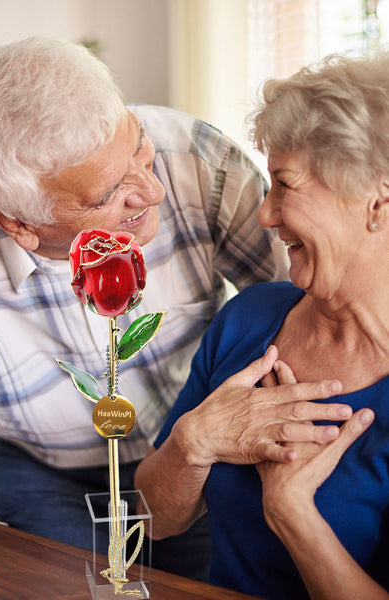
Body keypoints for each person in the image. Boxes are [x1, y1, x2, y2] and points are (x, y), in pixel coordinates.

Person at [0, 37, 351, 581]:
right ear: (18, 223)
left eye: (140, 149)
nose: (153, 192)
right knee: (84, 592)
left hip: (194, 442)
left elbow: (314, 308)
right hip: (47, 473)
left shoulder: (197, 159)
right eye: (107, 194)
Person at [135, 51, 389, 599]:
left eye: (285, 184)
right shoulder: (249, 317)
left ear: (376, 199)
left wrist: (291, 511)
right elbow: (154, 522)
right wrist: (193, 441)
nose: (265, 214)